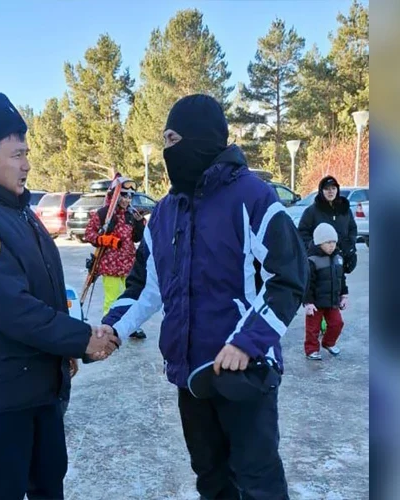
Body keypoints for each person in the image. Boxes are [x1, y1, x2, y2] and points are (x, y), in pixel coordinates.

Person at [100, 94, 307, 499]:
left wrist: (247, 342)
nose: (168, 151)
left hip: (244, 372)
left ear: (201, 139)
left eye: (174, 140)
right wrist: (113, 329)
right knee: (211, 478)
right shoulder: (163, 213)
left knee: (257, 479)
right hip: (190, 376)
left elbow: (288, 277)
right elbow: (145, 287)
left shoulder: (253, 197)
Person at [0, 92, 119, 500]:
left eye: (27, 153)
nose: (27, 164)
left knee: (49, 485)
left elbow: (44, 291)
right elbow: (14, 309)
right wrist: (81, 338)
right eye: (17, 155)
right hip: (6, 397)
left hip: (41, 387)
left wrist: (64, 352)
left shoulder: (18, 210)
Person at [84, 178, 147, 339]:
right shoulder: (104, 213)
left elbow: (137, 238)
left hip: (129, 263)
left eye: (130, 196)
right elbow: (89, 234)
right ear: (115, 196)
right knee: (112, 298)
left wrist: (140, 223)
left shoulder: (131, 214)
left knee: (130, 296)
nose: (127, 200)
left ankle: (130, 325)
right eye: (124, 195)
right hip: (110, 264)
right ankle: (109, 326)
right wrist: (105, 239)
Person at [303, 223, 348, 360]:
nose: (332, 245)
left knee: (337, 323)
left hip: (333, 301)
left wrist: (344, 295)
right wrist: (308, 302)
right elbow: (307, 283)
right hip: (316, 303)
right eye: (328, 242)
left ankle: (329, 343)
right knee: (313, 328)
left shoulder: (338, 258)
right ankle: (311, 350)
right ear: (319, 242)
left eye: (334, 242)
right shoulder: (312, 260)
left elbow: (341, 278)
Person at [297, 175, 358, 275]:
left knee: (339, 282)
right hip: (319, 262)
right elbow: (302, 232)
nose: (331, 192)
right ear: (321, 191)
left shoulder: (345, 210)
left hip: (340, 258)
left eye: (333, 188)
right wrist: (314, 246)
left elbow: (352, 228)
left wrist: (350, 245)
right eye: (327, 189)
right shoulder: (312, 211)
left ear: (337, 190)